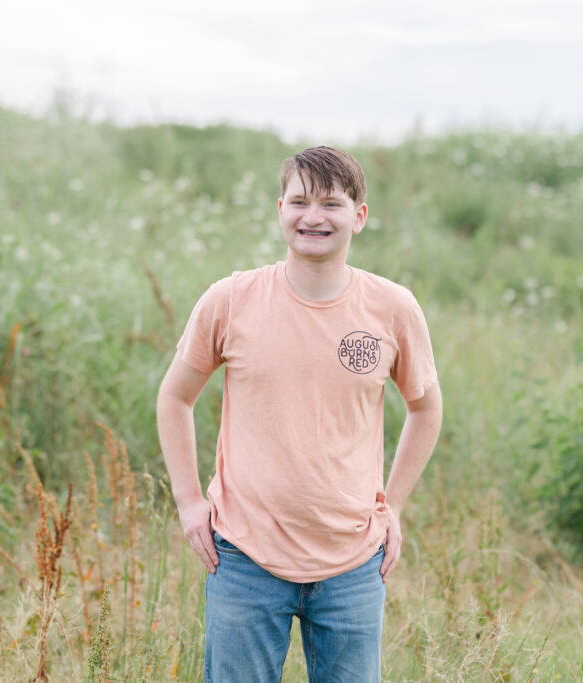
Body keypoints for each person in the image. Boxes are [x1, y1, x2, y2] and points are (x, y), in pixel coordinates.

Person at [156, 146, 443, 682]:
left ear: (358, 215)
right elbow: (175, 397)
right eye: (300, 201)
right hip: (243, 556)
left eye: (331, 204)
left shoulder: (392, 308)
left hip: (353, 562)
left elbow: (426, 408)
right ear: (280, 209)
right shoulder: (231, 299)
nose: (313, 217)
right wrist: (188, 501)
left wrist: (394, 506)